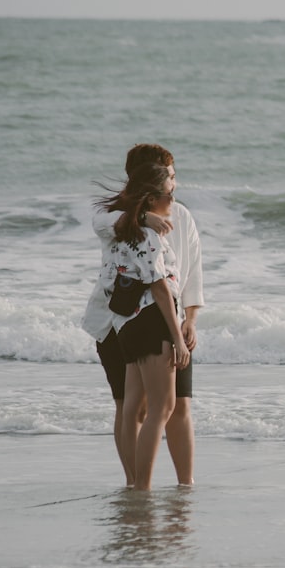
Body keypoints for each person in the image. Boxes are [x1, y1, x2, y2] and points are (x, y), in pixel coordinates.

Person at [83, 144, 204, 487]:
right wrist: (141, 217)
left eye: (173, 174)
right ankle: (135, 485)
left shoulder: (181, 216)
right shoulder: (113, 215)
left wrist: (190, 321)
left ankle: (184, 485)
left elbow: (193, 273)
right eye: (168, 178)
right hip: (117, 323)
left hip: (171, 319)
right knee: (130, 407)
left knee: (178, 407)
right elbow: (106, 224)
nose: (174, 185)